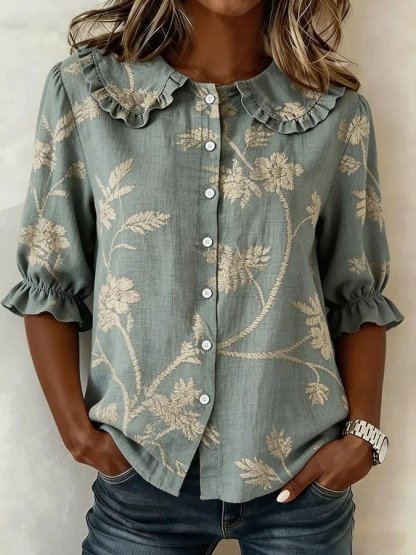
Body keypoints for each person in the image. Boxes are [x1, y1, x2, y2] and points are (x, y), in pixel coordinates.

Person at [1, 0, 405, 553]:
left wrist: (362, 439)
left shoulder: (335, 113)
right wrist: (78, 435)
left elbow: (355, 291)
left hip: (301, 475)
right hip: (143, 478)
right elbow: (51, 275)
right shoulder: (86, 93)